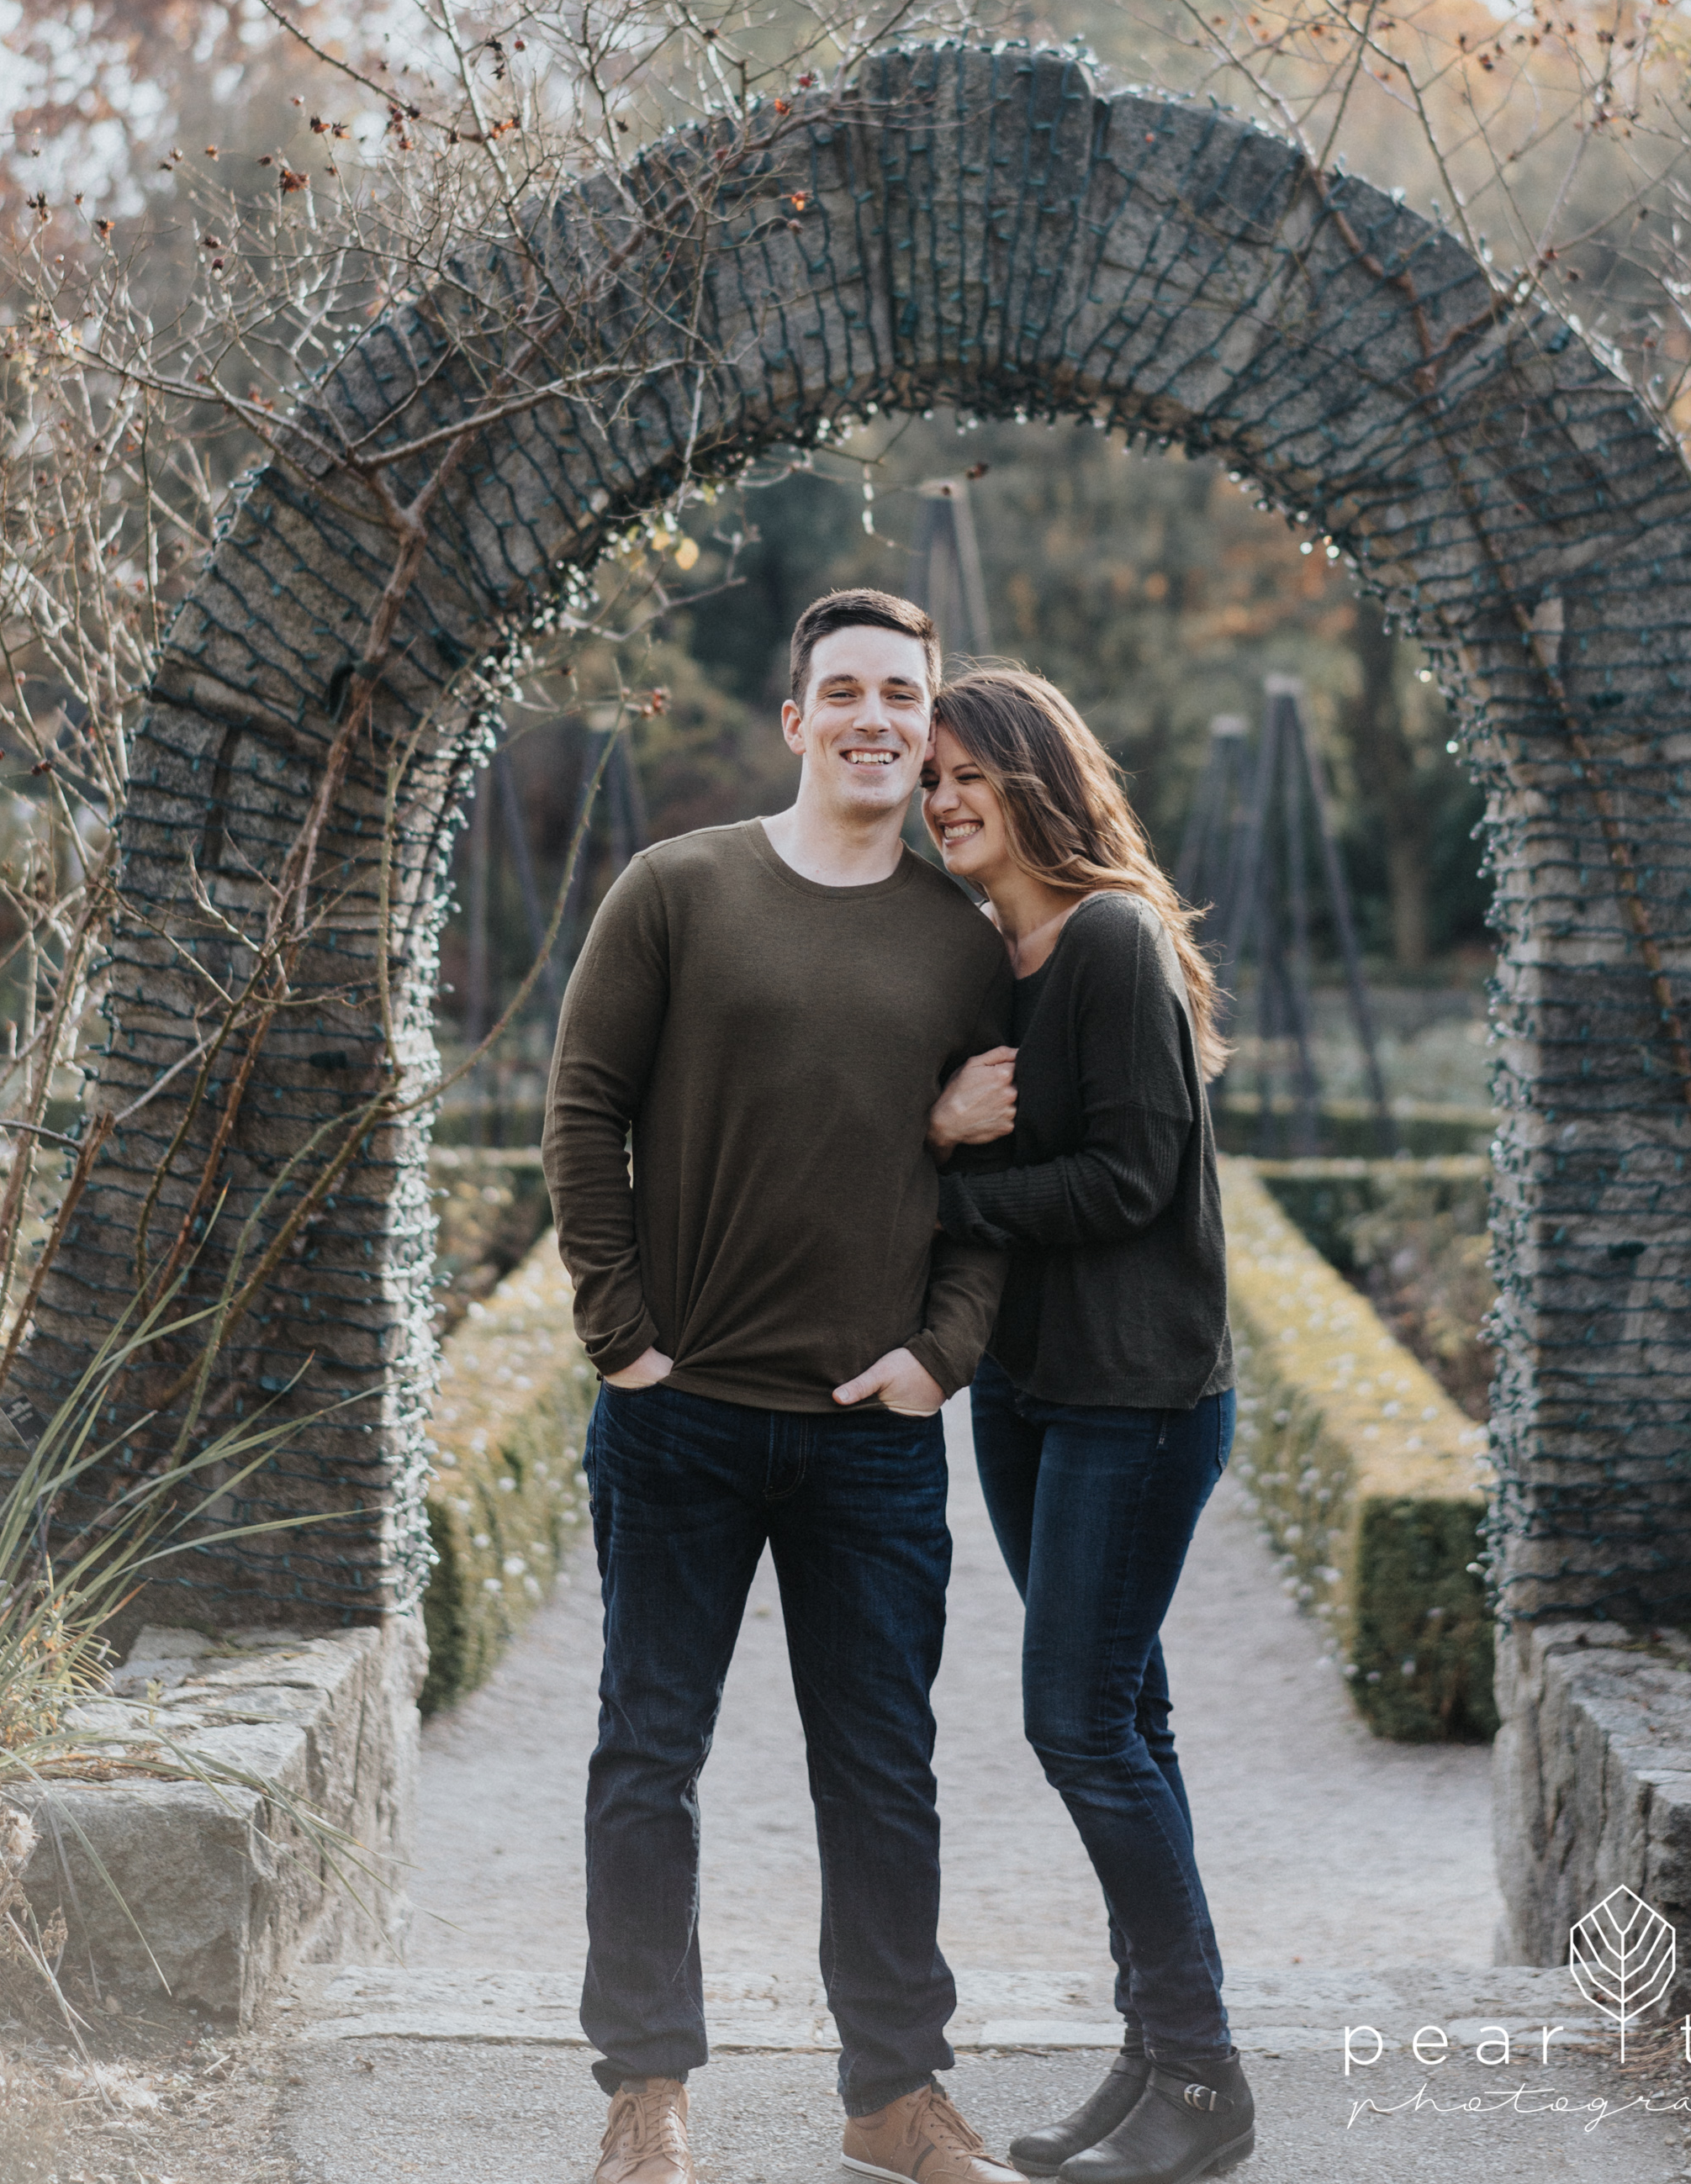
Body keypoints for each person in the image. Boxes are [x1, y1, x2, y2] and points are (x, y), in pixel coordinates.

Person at [543, 589, 1026, 2184]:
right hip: (676, 1419)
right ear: (797, 718)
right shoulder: (678, 889)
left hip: (868, 1437)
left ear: (926, 724)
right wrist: (622, 1340)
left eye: (904, 694)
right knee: (647, 1758)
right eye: (848, 691)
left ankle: (894, 2097)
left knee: (882, 1771)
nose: (877, 717)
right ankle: (646, 2092)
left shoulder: (961, 942)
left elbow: (990, 1179)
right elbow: (583, 1112)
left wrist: (941, 1356)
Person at [918, 667, 1254, 2184]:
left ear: (1034, 774)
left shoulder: (1111, 937)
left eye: (965, 773)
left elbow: (1130, 1179)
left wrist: (942, 1189)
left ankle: (1203, 2076)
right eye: (929, 781)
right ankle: (1157, 2058)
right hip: (1031, 1394)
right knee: (1127, 1719)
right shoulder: (996, 957)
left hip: (1137, 1395)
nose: (940, 800)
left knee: (1076, 1723)